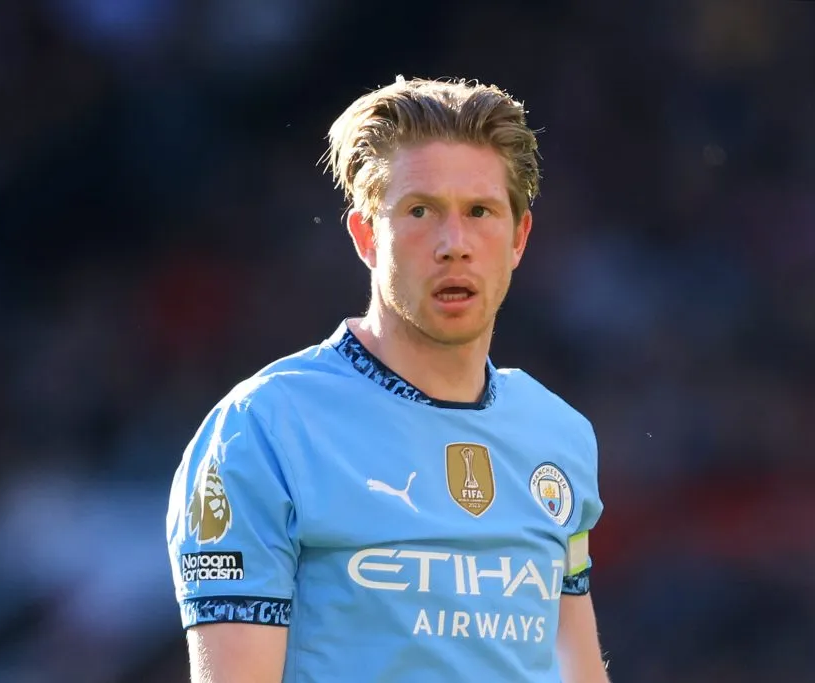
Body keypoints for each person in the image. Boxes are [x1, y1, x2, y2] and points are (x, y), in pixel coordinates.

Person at [166, 75, 610, 683]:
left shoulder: (560, 436)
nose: (454, 244)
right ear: (366, 236)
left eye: (480, 211)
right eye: (420, 211)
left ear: (518, 237)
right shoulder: (262, 431)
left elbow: (577, 667)